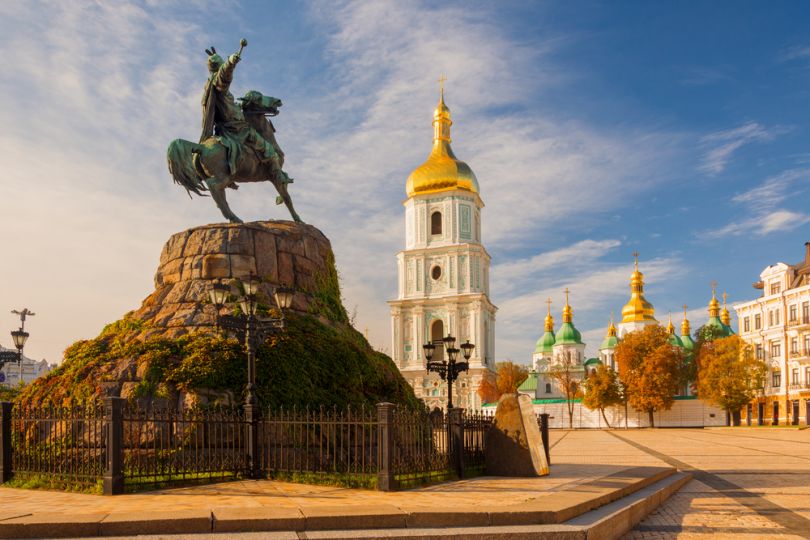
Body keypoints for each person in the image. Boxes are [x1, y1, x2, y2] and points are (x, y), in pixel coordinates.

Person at [200, 47, 279, 174]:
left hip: (222, 128)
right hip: (236, 128)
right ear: (219, 67)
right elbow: (224, 75)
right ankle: (276, 172)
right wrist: (230, 62)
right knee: (267, 147)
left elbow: (226, 105)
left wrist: (238, 107)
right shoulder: (218, 81)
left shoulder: (209, 85)